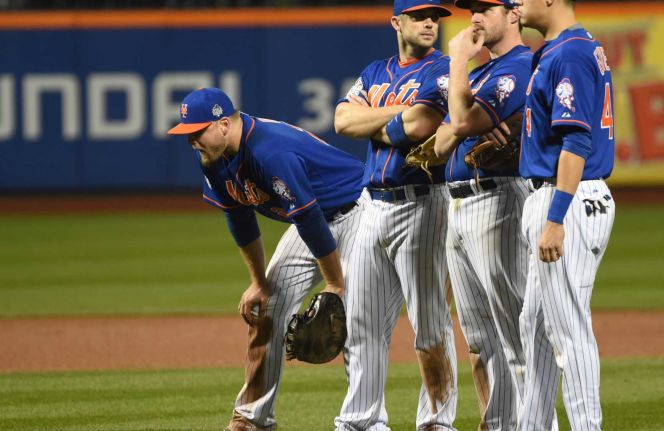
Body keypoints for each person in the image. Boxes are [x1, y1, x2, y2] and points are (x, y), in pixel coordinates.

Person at [167, 87, 366, 431]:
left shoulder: (270, 151)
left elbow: (309, 219)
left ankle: (359, 422)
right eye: (187, 135)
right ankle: (252, 418)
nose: (192, 141)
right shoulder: (212, 158)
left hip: (360, 211)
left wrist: (336, 284)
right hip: (315, 219)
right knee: (269, 305)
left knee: (356, 316)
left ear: (223, 125)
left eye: (196, 132)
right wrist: (259, 283)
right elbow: (240, 219)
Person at [333, 1, 459, 429]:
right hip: (372, 206)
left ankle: (436, 421)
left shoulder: (443, 70)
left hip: (424, 202)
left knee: (430, 325)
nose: (430, 23)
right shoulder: (375, 71)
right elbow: (341, 120)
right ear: (396, 22)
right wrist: (393, 117)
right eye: (420, 16)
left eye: (435, 17)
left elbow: (421, 124)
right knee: (361, 321)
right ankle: (362, 421)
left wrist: (376, 120)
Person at [431, 0, 537, 429]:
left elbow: (457, 123)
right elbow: (439, 144)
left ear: (514, 14)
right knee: (480, 341)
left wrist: (456, 59)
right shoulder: (479, 75)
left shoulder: (520, 66)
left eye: (487, 7)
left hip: (499, 203)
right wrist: (463, 119)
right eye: (471, 7)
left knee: (517, 333)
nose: (474, 16)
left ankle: (536, 424)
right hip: (457, 205)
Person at [515, 0, 616, 429]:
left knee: (568, 332)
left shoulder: (571, 52)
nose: (515, 1)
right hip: (566, 196)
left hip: (568, 199)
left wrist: (555, 218)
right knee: (535, 327)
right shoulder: (564, 48)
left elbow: (576, 141)